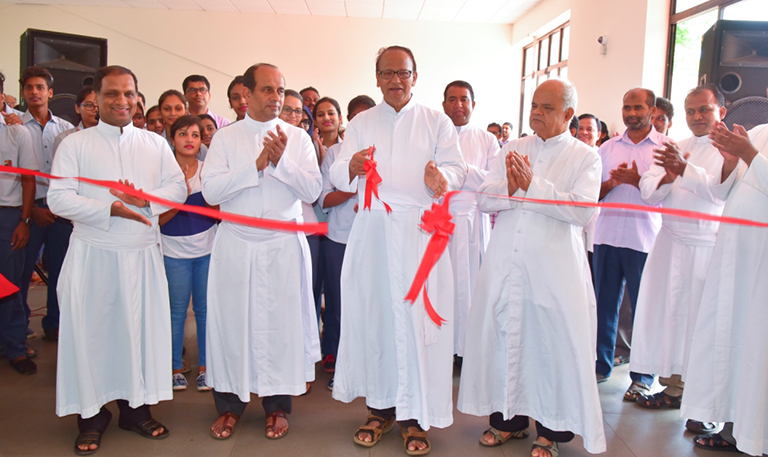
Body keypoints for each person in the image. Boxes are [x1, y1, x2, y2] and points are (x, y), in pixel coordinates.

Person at [329, 45, 466, 455]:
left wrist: (440, 175)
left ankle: (415, 417)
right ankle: (380, 410)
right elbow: (337, 172)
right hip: (373, 235)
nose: (394, 80)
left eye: (402, 73)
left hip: (419, 236)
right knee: (376, 321)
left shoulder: (436, 121)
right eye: (387, 73)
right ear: (376, 78)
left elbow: (457, 169)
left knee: (416, 326)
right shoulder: (361, 122)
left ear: (415, 77)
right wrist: (350, 166)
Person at [458, 79, 606, 457]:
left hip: (555, 270)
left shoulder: (585, 156)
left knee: (552, 345)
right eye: (534, 106)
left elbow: (583, 210)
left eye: (547, 107)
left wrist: (533, 186)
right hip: (507, 262)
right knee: (506, 335)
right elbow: (484, 202)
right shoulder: (512, 147)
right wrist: (509, 186)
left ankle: (551, 433)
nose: (537, 113)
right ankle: (509, 422)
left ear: (569, 114)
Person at [48, 64, 187, 455]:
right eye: (112, 94)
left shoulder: (155, 143)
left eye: (129, 94)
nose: (122, 101)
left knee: (138, 335)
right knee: (92, 336)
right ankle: (92, 416)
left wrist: (146, 201)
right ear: (95, 99)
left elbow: (177, 186)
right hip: (94, 255)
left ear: (138, 98)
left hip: (141, 255)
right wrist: (110, 208)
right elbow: (59, 198)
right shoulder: (75, 144)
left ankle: (134, 409)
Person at [202, 63, 322, 441]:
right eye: (267, 90)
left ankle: (277, 407)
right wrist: (257, 164)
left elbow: (312, 191)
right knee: (232, 325)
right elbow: (211, 193)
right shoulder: (226, 138)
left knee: (279, 328)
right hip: (236, 245)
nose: (276, 98)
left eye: (281, 90)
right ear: (246, 94)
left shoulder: (298, 138)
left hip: (281, 247)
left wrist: (281, 162)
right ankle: (230, 406)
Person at [631, 85, 730, 429]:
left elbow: (720, 191)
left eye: (704, 110)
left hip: (706, 246)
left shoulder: (730, 149)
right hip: (669, 242)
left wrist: (685, 170)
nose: (697, 117)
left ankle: (705, 406)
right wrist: (671, 173)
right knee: (668, 319)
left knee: (700, 326)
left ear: (722, 111)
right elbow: (647, 192)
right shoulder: (675, 146)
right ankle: (674, 388)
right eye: (690, 111)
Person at [680, 115, 768, 456]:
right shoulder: (759, 132)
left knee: (757, 345)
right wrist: (732, 162)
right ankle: (733, 426)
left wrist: (748, 154)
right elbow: (721, 191)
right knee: (734, 342)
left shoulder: (753, 141)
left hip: (762, 261)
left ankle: (755, 434)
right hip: (736, 254)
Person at [594, 88, 667, 400]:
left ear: (651, 110)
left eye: (638, 107)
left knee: (644, 310)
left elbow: (667, 197)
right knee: (603, 306)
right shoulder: (607, 148)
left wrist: (636, 181)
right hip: (607, 236)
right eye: (626, 107)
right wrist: (614, 182)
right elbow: (590, 193)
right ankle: (600, 365)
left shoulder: (666, 149)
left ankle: (642, 377)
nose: (631, 113)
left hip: (644, 240)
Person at [318, 94, 374, 390]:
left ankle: (367, 364)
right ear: (347, 121)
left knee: (369, 303)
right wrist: (355, 191)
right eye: (356, 116)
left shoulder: (384, 150)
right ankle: (338, 359)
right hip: (339, 237)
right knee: (339, 303)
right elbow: (324, 198)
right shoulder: (335, 154)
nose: (361, 121)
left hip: (373, 239)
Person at [441, 80, 499, 361]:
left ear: (473, 104)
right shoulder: (435, 134)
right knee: (444, 283)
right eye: (452, 99)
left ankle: (470, 349)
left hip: (475, 219)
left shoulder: (487, 140)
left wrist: (462, 170)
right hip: (440, 220)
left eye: (464, 99)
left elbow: (495, 181)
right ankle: (444, 347)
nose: (458, 105)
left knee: (473, 285)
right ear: (443, 105)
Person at [159, 115, 217, 393]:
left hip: (207, 251)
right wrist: (180, 192)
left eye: (195, 135)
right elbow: (160, 219)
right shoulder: (163, 173)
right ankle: (174, 367)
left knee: (206, 311)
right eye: (183, 134)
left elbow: (218, 212)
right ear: (172, 139)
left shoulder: (209, 170)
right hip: (173, 253)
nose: (190, 140)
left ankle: (206, 367)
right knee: (177, 311)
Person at [17, 66, 74, 344]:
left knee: (60, 270)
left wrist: (58, 207)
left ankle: (55, 324)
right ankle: (18, 328)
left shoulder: (65, 130)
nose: (35, 92)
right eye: (29, 87)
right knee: (22, 271)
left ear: (50, 92)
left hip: (60, 211)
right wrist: (32, 212)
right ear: (23, 92)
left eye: (40, 87)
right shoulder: (14, 125)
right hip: (28, 209)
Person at [0, 70, 37, 375]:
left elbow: (28, 181)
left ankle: (14, 347)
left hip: (8, 215)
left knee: (10, 285)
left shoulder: (17, 132)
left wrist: (24, 220)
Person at [53, 86, 99, 152]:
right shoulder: (64, 138)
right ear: (77, 108)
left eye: (99, 105)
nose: (95, 109)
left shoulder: (114, 136)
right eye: (89, 105)